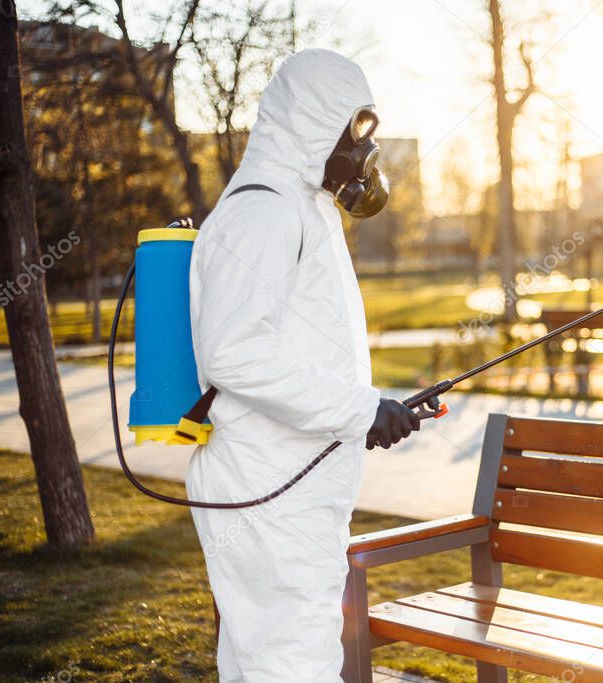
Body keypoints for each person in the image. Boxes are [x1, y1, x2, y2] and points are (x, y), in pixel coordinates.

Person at [186, 49, 418, 681]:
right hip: (268, 489)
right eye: (352, 131)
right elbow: (234, 350)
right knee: (293, 661)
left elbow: (298, 348)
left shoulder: (298, 204)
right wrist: (357, 408)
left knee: (261, 659)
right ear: (311, 122)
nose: (361, 151)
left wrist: (368, 411)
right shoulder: (264, 210)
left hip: (287, 481)